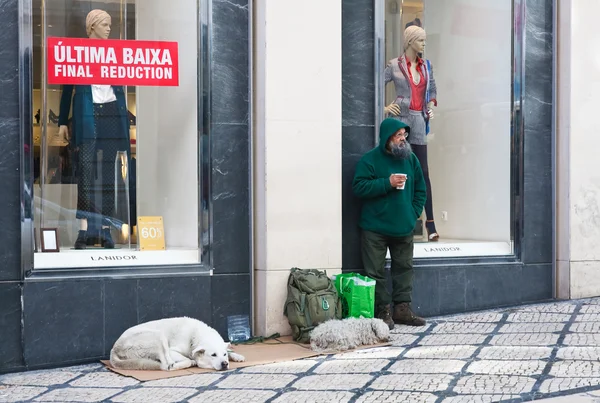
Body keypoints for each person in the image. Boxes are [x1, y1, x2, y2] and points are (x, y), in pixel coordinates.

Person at [352, 118, 427, 329]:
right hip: (374, 228)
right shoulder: (370, 160)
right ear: (387, 138)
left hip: (403, 226)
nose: (403, 139)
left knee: (404, 268)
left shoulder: (411, 159)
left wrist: (412, 214)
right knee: (374, 271)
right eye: (398, 136)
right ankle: (383, 310)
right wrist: (387, 183)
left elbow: (421, 189)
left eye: (404, 135)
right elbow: (358, 187)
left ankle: (402, 309)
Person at [384, 25, 439, 241]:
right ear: (410, 42)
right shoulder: (394, 65)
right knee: (401, 169)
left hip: (419, 120)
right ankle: (401, 222)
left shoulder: (426, 66)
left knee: (423, 172)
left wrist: (431, 105)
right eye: (421, 40)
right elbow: (375, 84)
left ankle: (431, 223)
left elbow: (432, 88)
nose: (424, 44)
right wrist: (386, 108)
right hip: (400, 122)